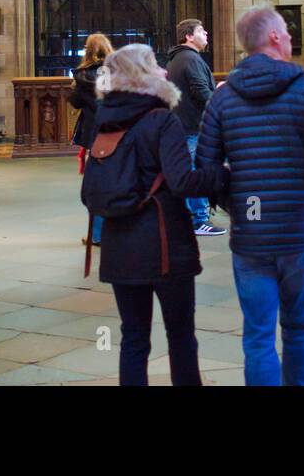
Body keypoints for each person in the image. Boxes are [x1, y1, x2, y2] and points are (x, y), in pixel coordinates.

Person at [196, 5, 304, 386]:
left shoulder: (223, 99)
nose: (292, 40)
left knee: (258, 335)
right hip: (299, 227)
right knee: (297, 328)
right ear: (276, 38)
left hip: (252, 232)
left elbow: (207, 168)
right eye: (289, 34)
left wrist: (235, 205)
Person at [85, 44, 229, 386]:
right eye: (154, 65)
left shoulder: (104, 123)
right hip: (166, 245)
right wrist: (220, 174)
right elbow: (182, 182)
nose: (164, 71)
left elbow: (91, 190)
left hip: (120, 246)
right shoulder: (162, 120)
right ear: (142, 75)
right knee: (180, 335)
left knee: (133, 338)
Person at [166, 19, 227, 237]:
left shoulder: (180, 58)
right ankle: (199, 220)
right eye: (201, 30)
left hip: (185, 126)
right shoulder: (190, 58)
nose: (207, 33)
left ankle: (195, 216)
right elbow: (201, 92)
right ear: (189, 36)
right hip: (192, 127)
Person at [70, 32, 112, 246]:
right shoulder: (113, 71)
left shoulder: (81, 75)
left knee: (96, 184)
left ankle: (97, 233)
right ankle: (112, 232)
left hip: (93, 134)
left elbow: (76, 102)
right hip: (113, 132)